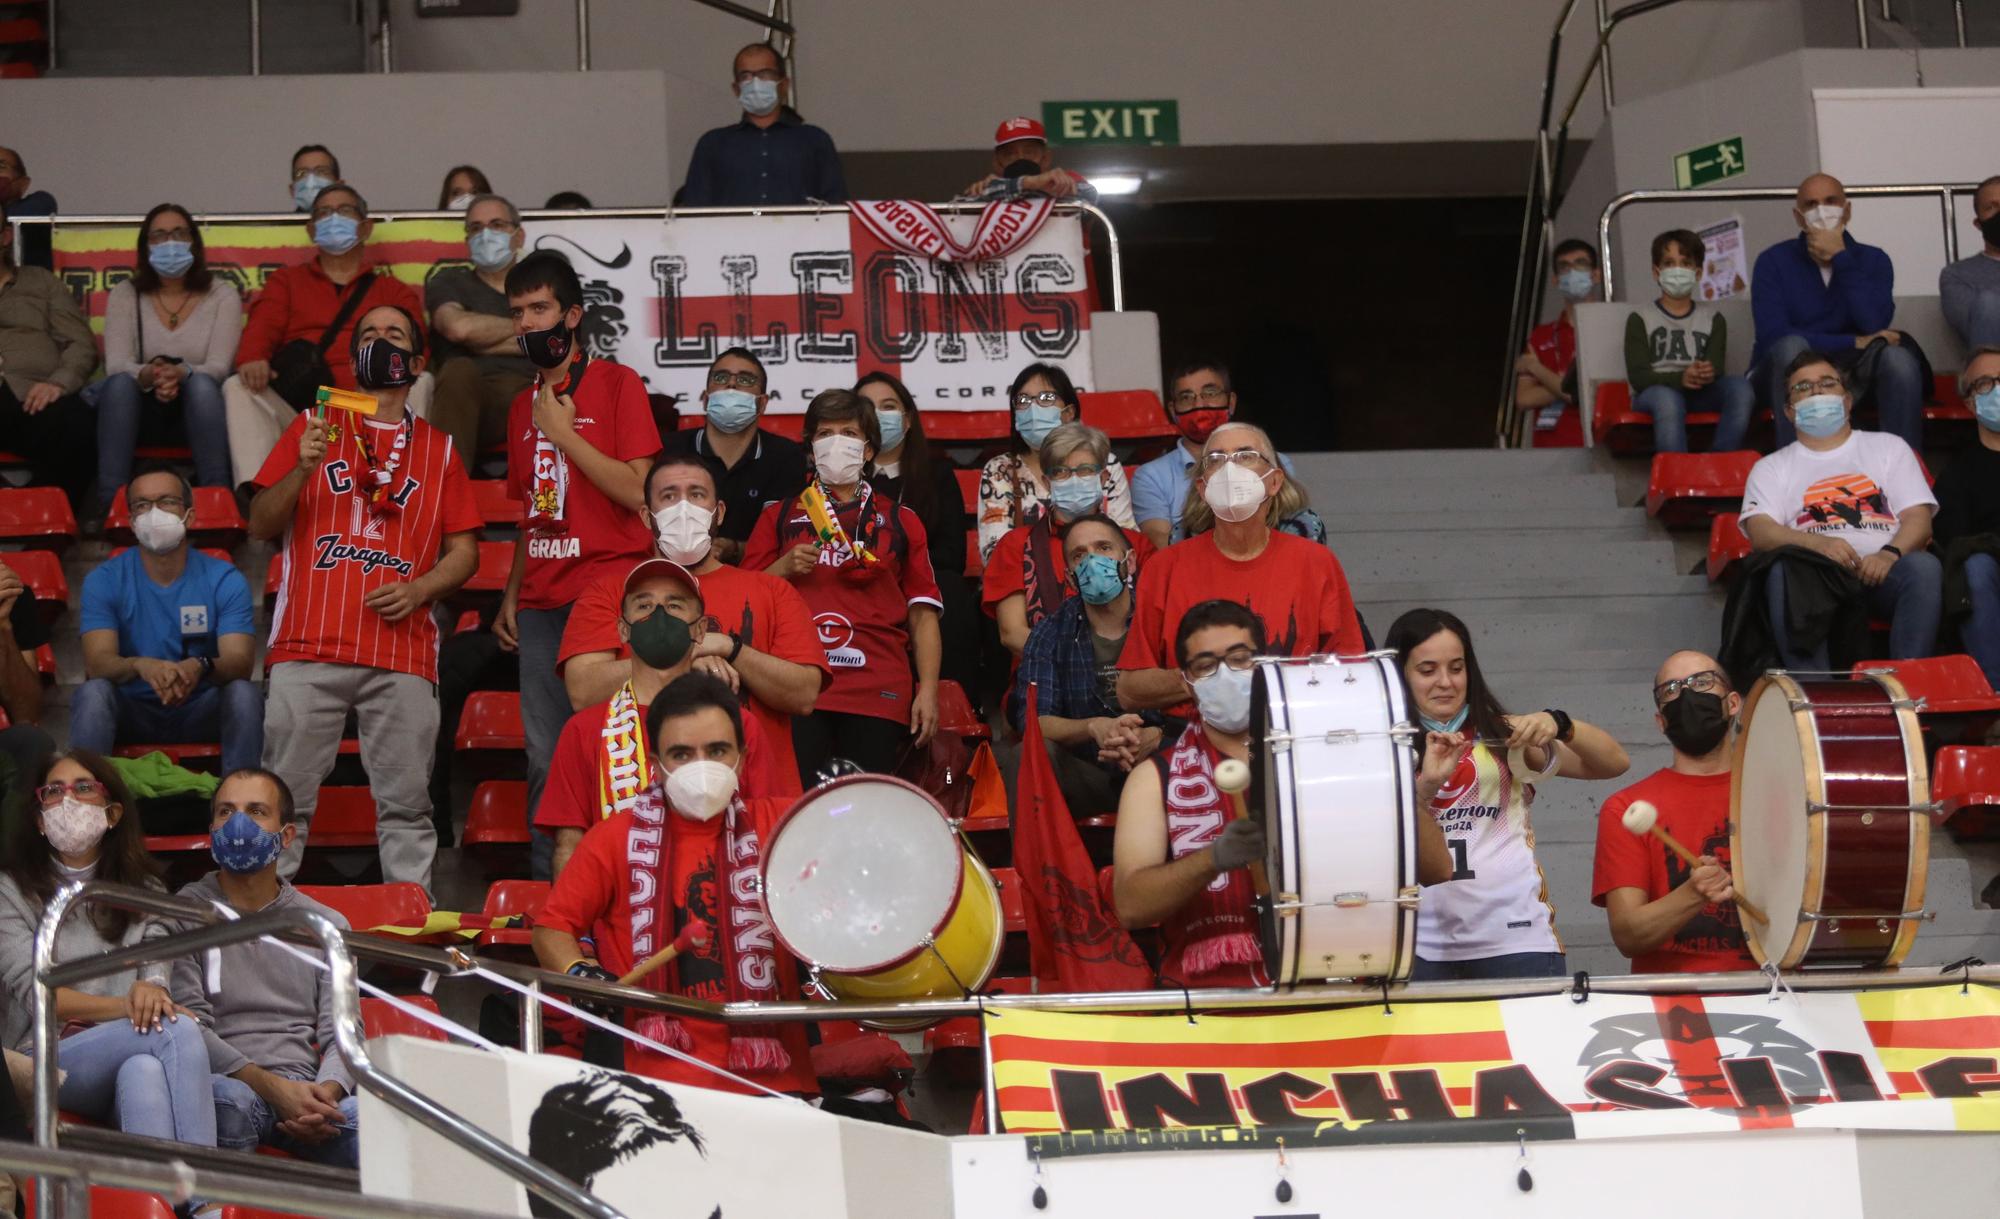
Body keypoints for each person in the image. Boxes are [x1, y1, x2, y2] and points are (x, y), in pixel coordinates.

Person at [246, 304, 482, 890]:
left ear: (418, 362)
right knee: (283, 808)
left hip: (401, 654)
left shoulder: (441, 449)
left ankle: (413, 944)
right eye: (368, 335)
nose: (380, 342)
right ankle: (271, 937)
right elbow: (258, 522)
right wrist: (300, 471)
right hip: (308, 645)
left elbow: (466, 552)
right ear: (354, 360)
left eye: (394, 334)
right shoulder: (312, 424)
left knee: (407, 811)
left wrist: (421, 587)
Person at [532, 674, 817, 1095]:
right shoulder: (614, 836)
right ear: (655, 763)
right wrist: (580, 973)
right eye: (682, 754)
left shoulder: (785, 825)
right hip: (650, 1083)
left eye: (717, 751)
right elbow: (552, 927)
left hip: (773, 1081)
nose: (701, 767)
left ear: (743, 755)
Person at [495, 251, 658, 878]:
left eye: (540, 309)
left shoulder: (617, 385)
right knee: (546, 757)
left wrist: (565, 434)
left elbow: (639, 491)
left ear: (572, 315)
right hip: (541, 601)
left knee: (616, 748)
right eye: (518, 313)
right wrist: (513, 591)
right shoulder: (519, 408)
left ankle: (627, 883)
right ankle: (552, 898)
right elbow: (530, 511)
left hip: (607, 593)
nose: (529, 323)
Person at [557, 454, 826, 796]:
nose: (683, 507)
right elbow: (583, 691)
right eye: (668, 496)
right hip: (639, 798)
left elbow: (803, 694)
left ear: (720, 512)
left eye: (697, 494)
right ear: (646, 515)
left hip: (757, 802)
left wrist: (729, 647)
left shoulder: (772, 590)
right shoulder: (610, 591)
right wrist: (687, 658)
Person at [1389, 607, 1629, 980]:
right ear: (1399, 675)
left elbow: (1612, 763)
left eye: (1456, 668)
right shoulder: (1383, 751)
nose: (1445, 682)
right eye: (1427, 670)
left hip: (1515, 943)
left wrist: (1561, 723)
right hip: (1420, 947)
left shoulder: (1503, 735)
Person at [0, 752, 216, 1155]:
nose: (68, 800)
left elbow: (156, 964)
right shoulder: (9, 890)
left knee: (144, 1072)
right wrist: (127, 1006)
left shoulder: (146, 890)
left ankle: (167, 1209)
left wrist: (153, 986)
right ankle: (212, 1203)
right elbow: (41, 997)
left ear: (113, 813)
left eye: (84, 788)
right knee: (176, 1030)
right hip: (45, 1056)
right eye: (53, 791)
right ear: (39, 820)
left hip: (129, 1052)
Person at [148, 769, 362, 1170]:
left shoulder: (326, 925)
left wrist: (324, 1096)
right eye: (226, 811)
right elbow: (190, 1030)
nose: (238, 823)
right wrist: (273, 1089)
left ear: (286, 836)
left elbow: (345, 1034)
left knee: (383, 1128)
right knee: (227, 1102)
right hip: (230, 1086)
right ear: (211, 829)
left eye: (256, 811)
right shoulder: (183, 914)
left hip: (310, 1095)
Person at [538, 556, 788, 876]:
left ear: (700, 630)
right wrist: (574, 925)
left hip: (716, 907)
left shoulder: (736, 724)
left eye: (674, 606)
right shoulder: (584, 729)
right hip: (621, 915)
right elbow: (569, 847)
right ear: (622, 631)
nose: (659, 615)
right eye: (644, 606)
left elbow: (767, 831)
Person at [744, 389, 942, 780]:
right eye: (825, 433)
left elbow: (922, 615)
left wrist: (929, 690)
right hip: (798, 685)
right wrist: (781, 568)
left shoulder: (901, 520)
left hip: (877, 686)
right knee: (798, 809)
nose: (837, 442)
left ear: (868, 450)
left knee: (869, 811)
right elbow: (743, 600)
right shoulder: (779, 515)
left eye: (849, 433)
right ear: (811, 446)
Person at [1115, 422, 1364, 712]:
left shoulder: (1316, 562)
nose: (1229, 469)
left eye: (1246, 455)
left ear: (1275, 481)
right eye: (1215, 460)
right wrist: (1206, 676)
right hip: (1193, 740)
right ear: (1202, 487)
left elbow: (1351, 672)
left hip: (1289, 734)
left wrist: (1262, 681)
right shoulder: (1164, 567)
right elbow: (1130, 690)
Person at [1737, 350, 1941, 671]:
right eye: (1803, 388)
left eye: (1826, 383)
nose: (1816, 391)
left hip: (1882, 571)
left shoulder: (1889, 447)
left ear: (1847, 401)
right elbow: (1761, 531)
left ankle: (1907, 685)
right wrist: (1819, 545)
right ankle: (1814, 696)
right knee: (1781, 571)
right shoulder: (1771, 467)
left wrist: (1888, 554)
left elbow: (1918, 518)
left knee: (1925, 568)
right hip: (1814, 577)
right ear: (1789, 411)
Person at [224, 182, 428, 489]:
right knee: (238, 387)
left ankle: (401, 487)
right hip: (305, 408)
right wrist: (253, 359)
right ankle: (258, 500)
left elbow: (416, 347)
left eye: (344, 210)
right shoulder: (286, 281)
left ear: (366, 227)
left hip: (369, 405)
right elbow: (259, 330)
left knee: (422, 380)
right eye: (323, 212)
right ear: (310, 229)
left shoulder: (392, 291)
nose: (333, 218)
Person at [73, 466, 262, 772]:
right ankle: (85, 801)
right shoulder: (104, 580)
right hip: (133, 711)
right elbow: (98, 662)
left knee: (244, 694)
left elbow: (240, 661)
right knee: (93, 694)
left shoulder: (223, 578)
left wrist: (199, 667)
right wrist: (140, 665)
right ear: (132, 522)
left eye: (166, 501)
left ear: (189, 515)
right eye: (142, 505)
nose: (154, 512)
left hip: (201, 710)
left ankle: (240, 805)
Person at [1592, 652, 1754, 974]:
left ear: (1733, 703)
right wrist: (1693, 894)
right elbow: (1628, 935)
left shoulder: (1780, 792)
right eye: (1671, 690)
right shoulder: (1626, 808)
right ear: (1661, 721)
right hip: (1674, 1008)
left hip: (1777, 997)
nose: (1687, 695)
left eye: (1702, 682)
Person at [1009, 515, 1168, 816]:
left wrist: (1156, 736)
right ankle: (1043, 864)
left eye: (1104, 547)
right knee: (1027, 754)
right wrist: (1095, 727)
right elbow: (1034, 719)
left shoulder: (1163, 618)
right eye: (1079, 555)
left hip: (1160, 768)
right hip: (1090, 775)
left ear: (1129, 562)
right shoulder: (1050, 632)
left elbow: (1198, 702)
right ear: (1070, 577)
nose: (1092, 561)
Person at [1749, 173, 1922, 451]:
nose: (1821, 210)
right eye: (1811, 204)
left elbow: (1874, 322)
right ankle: (1797, 470)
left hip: (1852, 375)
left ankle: (1907, 474)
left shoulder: (1874, 259)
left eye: (1830, 201)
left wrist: (1842, 257)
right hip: (1781, 375)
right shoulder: (1772, 261)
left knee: (1898, 360)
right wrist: (1852, 342)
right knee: (1792, 346)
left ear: (1847, 209)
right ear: (1798, 216)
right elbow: (1774, 334)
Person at [97, 203, 242, 507]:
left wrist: (182, 373)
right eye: (159, 235)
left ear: (195, 242)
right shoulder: (126, 293)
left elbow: (219, 366)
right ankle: (112, 503)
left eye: (179, 233)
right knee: (120, 384)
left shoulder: (222, 294)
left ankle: (219, 499)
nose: (170, 242)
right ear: (145, 246)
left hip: (202, 411)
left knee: (202, 384)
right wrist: (149, 374)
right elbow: (116, 364)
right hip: (141, 409)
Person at [984, 422, 1153, 654]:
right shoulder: (1016, 545)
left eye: (1085, 470)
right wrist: (1079, 662)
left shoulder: (1138, 545)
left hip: (1127, 676)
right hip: (1045, 679)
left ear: (1103, 478)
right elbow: (1012, 634)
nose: (1074, 479)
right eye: (1061, 471)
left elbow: (1154, 624)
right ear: (1046, 483)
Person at [855, 372, 976, 692]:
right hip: (858, 585)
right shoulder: (842, 480)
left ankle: (955, 703)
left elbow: (953, 555)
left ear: (907, 421)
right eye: (868, 407)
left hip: (922, 585)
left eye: (889, 406)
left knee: (949, 587)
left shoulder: (937, 474)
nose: (879, 415)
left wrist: (897, 570)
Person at [1130, 359, 1316, 548]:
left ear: (1231, 402)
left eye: (1210, 393)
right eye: (1186, 397)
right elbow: (1162, 543)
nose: (1199, 403)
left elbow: (1285, 524)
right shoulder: (1150, 476)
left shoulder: (1272, 461)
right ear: (1173, 410)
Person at [657, 347, 807, 565]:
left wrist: (735, 549)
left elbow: (786, 539)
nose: (731, 384)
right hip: (679, 572)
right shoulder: (669, 450)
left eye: (746, 380)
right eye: (721, 377)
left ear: (762, 403)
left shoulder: (786, 457)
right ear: (705, 399)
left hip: (758, 578)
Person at [977, 363, 1135, 563]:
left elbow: (1126, 536)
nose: (1032, 409)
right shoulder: (1000, 469)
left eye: (1046, 398)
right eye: (1023, 400)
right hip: (1024, 584)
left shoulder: (1106, 464)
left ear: (1069, 413)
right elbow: (994, 553)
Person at [0, 196, 98, 513]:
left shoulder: (40, 282)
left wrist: (57, 383)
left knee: (78, 426)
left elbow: (80, 343)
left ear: (5, 237)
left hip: (32, 393)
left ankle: (39, 520)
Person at [424, 193, 536, 470]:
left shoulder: (542, 282)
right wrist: (530, 329)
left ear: (519, 236)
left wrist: (481, 338)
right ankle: (446, 500)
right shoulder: (449, 280)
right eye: (476, 228)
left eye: (496, 225)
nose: (485, 234)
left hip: (532, 393)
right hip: (467, 395)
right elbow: (458, 328)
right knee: (459, 369)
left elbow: (561, 340)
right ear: (466, 241)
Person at [1623, 228, 1754, 453]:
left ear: (1698, 273)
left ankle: (1719, 464)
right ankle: (1675, 474)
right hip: (1655, 394)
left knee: (1741, 388)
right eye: (1669, 263)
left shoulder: (1713, 319)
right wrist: (1680, 378)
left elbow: (1717, 369)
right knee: (1667, 400)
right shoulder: (1640, 318)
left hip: (1699, 393)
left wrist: (1704, 373)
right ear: (1656, 272)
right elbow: (1639, 377)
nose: (1677, 270)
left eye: (1685, 263)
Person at [679, 43, 845, 207]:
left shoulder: (814, 140)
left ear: (784, 84)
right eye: (745, 76)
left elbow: (837, 208)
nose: (755, 83)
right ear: (736, 89)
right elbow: (695, 211)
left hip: (801, 234)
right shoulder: (713, 144)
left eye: (765, 74)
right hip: (731, 234)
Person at [1928, 346, 2000, 686]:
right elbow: (1956, 547)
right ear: (1970, 403)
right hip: (1992, 576)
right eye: (1986, 383)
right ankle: (1997, 698)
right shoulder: (1957, 475)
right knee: (1974, 568)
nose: (1998, 388)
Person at [1515, 239, 1598, 415]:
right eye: (1564, 267)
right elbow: (1523, 398)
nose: (1572, 272)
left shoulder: (1609, 327)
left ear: (1596, 275)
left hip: (1595, 438)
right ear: (1555, 280)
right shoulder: (1541, 335)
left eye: (1580, 264)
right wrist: (1571, 387)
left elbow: (1587, 391)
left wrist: (1535, 368)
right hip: (1552, 440)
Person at [0, 557, 53, 820]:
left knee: (33, 742)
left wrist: (3, 628)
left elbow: (27, 713)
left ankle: (11, 858)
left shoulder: (12, 597)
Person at [960, 116, 1097, 204]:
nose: (1020, 158)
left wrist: (1001, 188)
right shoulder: (986, 189)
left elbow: (1089, 195)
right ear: (997, 162)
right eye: (1010, 154)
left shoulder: (1065, 181)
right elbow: (959, 205)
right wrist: (1030, 183)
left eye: (1029, 152)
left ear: (1046, 158)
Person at [1942, 175, 2000, 350]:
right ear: (1978, 223)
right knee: (1988, 302)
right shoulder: (1956, 275)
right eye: (1991, 207)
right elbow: (1978, 327)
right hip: (1991, 368)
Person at [0, 144, 57, 269]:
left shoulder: (40, 202)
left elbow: (30, 214)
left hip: (28, 286)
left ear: (23, 183)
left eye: (1, 166)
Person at [287, 144, 340, 213]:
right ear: (292, 190)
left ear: (339, 186)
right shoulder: (280, 224)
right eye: (302, 174)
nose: (311, 181)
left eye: (321, 171)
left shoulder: (355, 223)